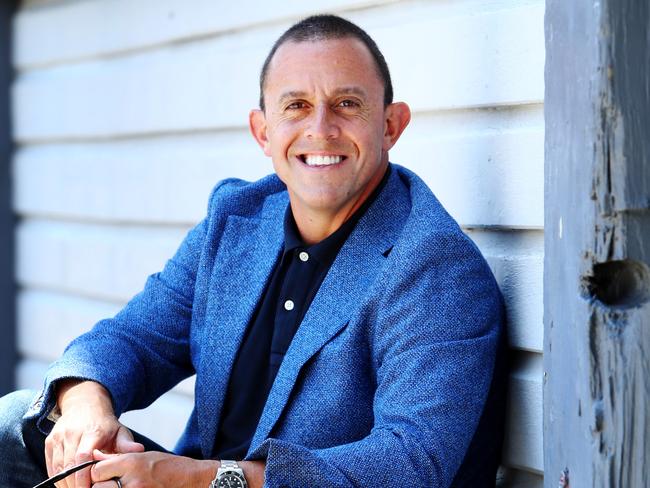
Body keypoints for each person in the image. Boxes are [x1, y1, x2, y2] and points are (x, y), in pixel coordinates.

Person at [0, 14, 507, 488]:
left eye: (348, 104)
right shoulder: (237, 220)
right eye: (297, 106)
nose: (321, 129)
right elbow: (135, 339)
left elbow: (410, 463)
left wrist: (203, 479)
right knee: (14, 423)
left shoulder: (433, 267)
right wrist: (86, 402)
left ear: (391, 125)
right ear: (264, 131)